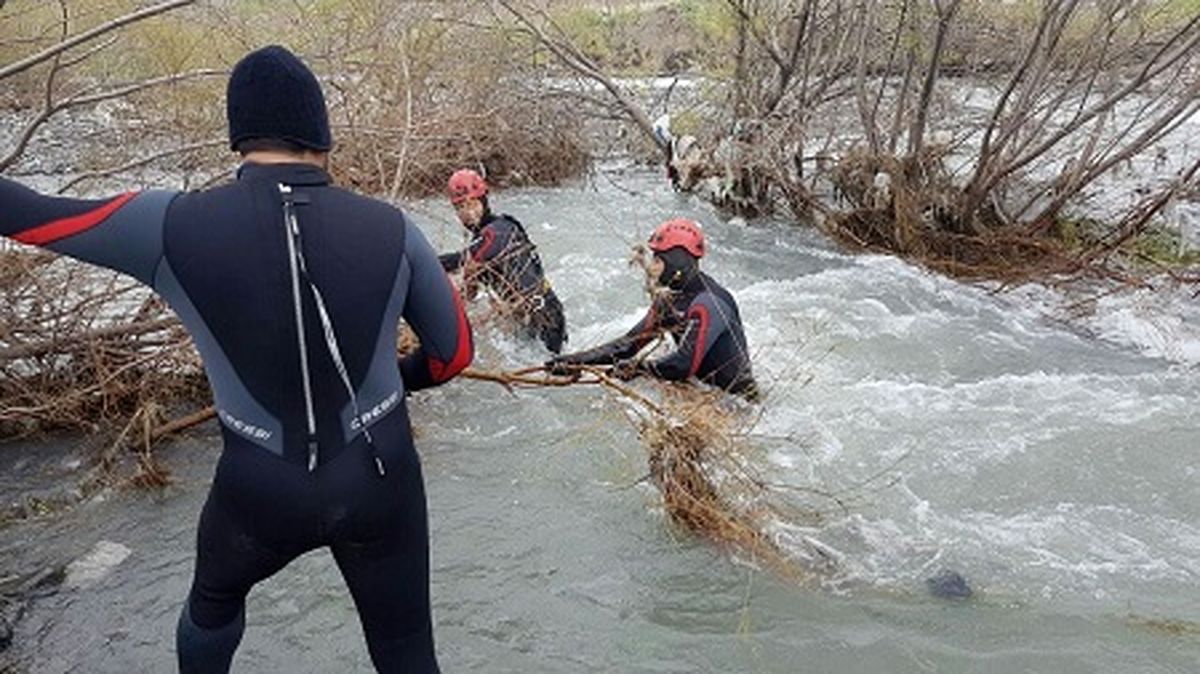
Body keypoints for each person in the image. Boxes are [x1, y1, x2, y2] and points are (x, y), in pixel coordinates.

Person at [0, 45, 471, 673]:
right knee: (407, 652)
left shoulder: (167, 224)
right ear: (323, 139)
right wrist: (398, 384)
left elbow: (29, 218)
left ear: (238, 141)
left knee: (213, 606)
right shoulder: (394, 228)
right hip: (378, 482)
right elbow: (453, 355)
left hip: (258, 490)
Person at [547, 218, 757, 399]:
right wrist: (575, 361)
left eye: (658, 259)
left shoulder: (709, 304)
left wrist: (638, 368)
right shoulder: (670, 300)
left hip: (736, 404)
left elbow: (684, 365)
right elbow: (626, 346)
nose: (651, 266)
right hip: (703, 391)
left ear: (677, 261)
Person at [438, 169, 567, 353]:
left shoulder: (499, 231)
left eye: (471, 203)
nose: (466, 212)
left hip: (545, 317)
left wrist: (425, 262)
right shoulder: (480, 240)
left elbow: (466, 261)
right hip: (524, 319)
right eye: (459, 207)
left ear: (483, 200)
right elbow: (469, 288)